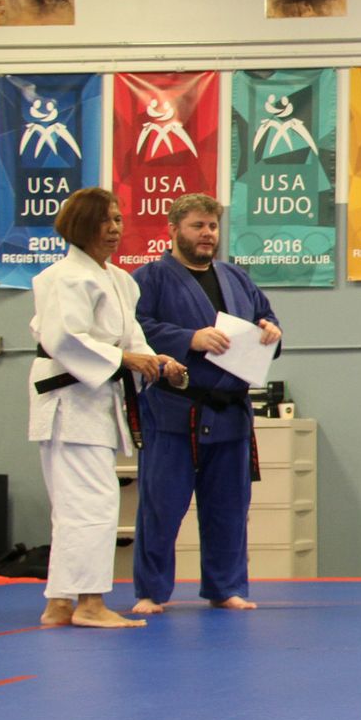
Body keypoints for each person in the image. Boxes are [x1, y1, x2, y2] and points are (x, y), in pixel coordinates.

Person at [28, 188, 183, 628]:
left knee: (77, 504)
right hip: (68, 401)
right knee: (90, 503)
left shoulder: (119, 280)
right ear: (81, 226)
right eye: (105, 221)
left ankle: (59, 603)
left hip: (95, 400)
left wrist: (156, 360)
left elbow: (131, 338)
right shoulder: (62, 277)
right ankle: (90, 603)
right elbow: (65, 339)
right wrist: (124, 360)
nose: (115, 228)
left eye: (118, 220)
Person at [129, 194, 282, 615]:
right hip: (174, 408)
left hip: (230, 411)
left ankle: (226, 586)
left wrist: (271, 330)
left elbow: (267, 317)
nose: (207, 233)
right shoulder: (150, 278)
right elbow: (134, 329)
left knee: (229, 508)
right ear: (174, 229)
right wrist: (188, 338)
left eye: (212, 226)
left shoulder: (236, 278)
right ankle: (151, 591)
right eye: (197, 225)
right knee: (161, 506)